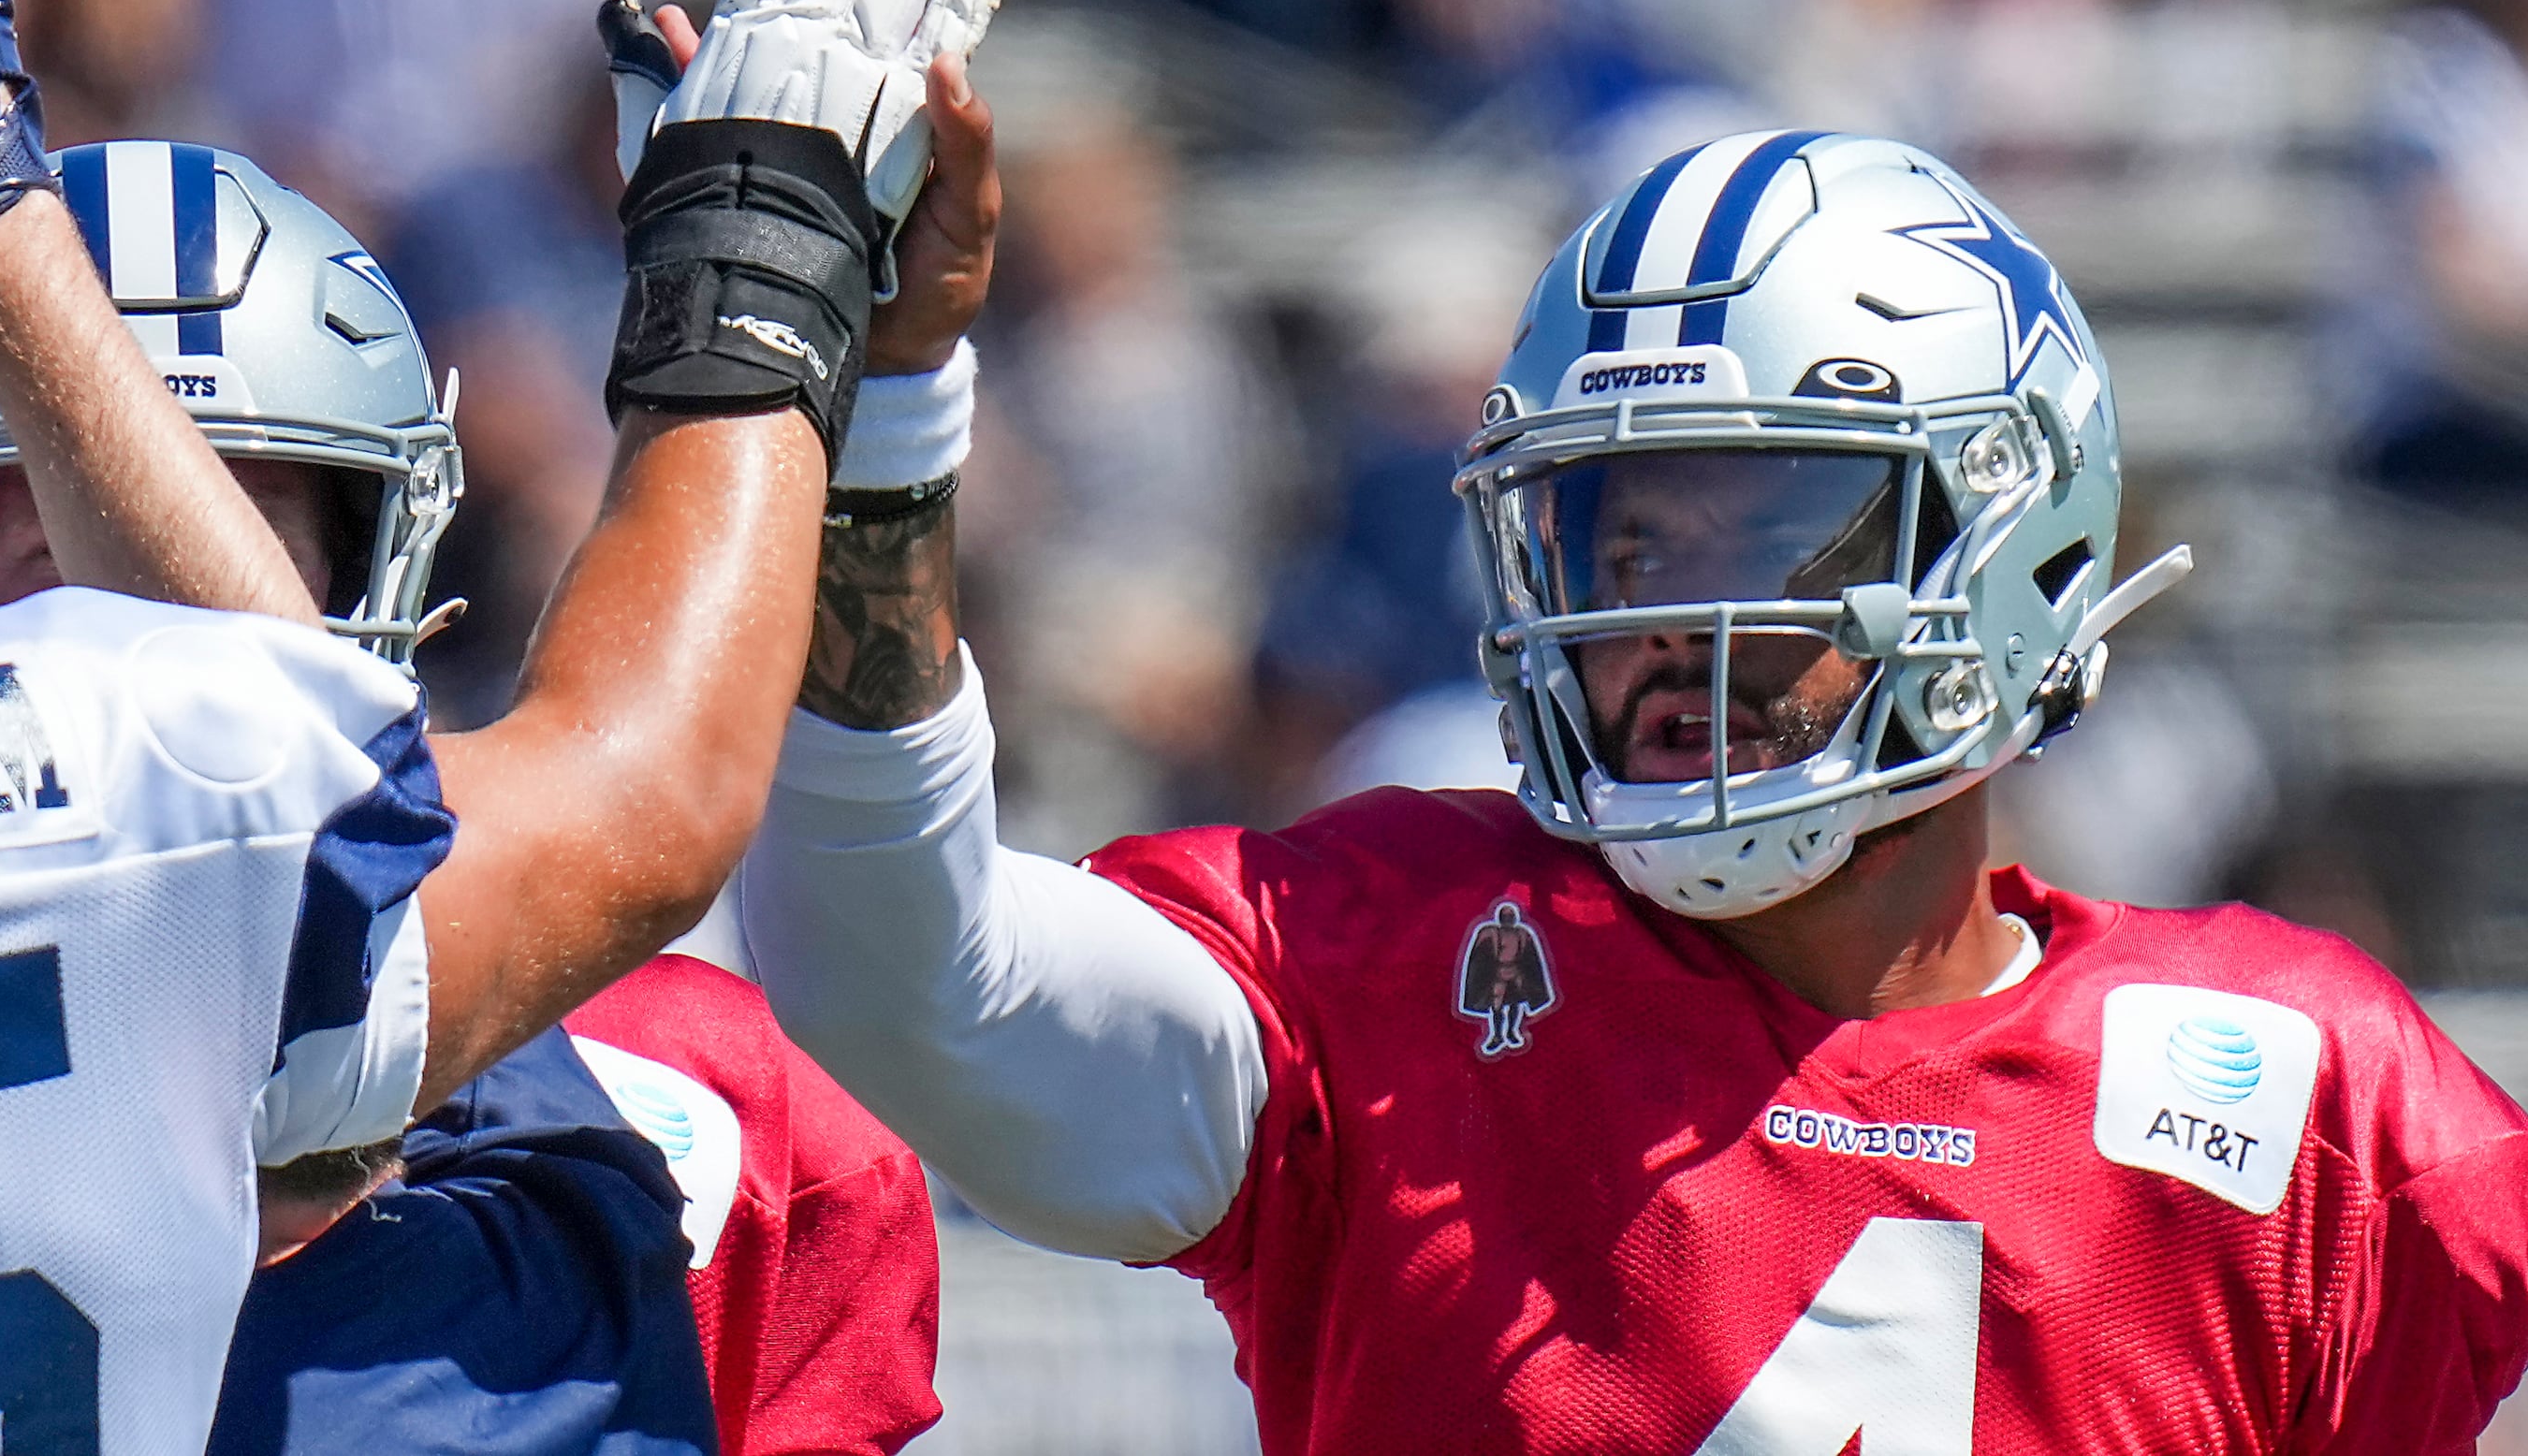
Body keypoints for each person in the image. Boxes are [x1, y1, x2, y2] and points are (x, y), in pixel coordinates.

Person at [744, 121, 2528, 1450]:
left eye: (1749, 527)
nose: (1665, 624)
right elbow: (908, 971)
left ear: (2005, 538)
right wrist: (880, 420)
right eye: (1619, 540)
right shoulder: (1396, 960)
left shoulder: (2313, 1100)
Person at [0, 0, 972, 1449]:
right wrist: (770, 256)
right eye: (42, 492)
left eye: (232, 497)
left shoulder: (704, 1090)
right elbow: (621, 790)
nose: (119, 586)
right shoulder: (639, 1084)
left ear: (375, 545)